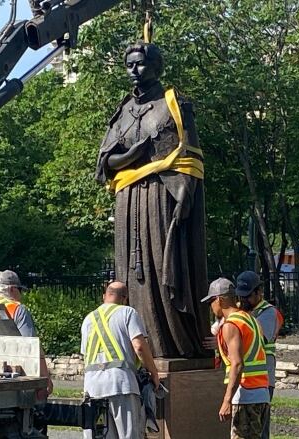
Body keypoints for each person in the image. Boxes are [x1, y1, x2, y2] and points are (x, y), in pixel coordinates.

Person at [94, 41, 208, 358]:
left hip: (162, 195)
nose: (134, 70)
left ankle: (171, 342)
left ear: (157, 67)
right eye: (129, 64)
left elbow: (190, 158)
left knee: (163, 264)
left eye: (140, 64)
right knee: (131, 269)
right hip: (128, 198)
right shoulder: (123, 112)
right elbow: (106, 162)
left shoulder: (174, 105)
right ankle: (137, 343)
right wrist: (132, 154)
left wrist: (185, 194)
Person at [81, 281, 160, 439]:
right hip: (121, 384)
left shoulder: (88, 319)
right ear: (125, 298)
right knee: (128, 435)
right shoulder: (127, 313)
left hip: (92, 387)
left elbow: (85, 355)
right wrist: (154, 373)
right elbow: (139, 347)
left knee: (99, 435)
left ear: (105, 296)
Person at [202, 277, 269, 439]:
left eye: (211, 301)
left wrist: (227, 400)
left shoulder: (230, 325)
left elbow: (237, 364)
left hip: (246, 395)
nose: (211, 306)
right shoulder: (250, 319)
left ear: (219, 299)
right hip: (261, 393)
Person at [235, 271, 283, 439]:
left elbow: (256, 339)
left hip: (263, 379)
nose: (243, 300)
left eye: (247, 296)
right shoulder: (242, 312)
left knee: (260, 430)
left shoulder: (269, 313)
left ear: (259, 292)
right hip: (244, 378)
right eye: (241, 296)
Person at [0, 270, 53, 395]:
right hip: (14, 377)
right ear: (12, 289)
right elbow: (31, 347)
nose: (21, 294)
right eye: (20, 290)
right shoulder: (18, 309)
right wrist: (45, 379)